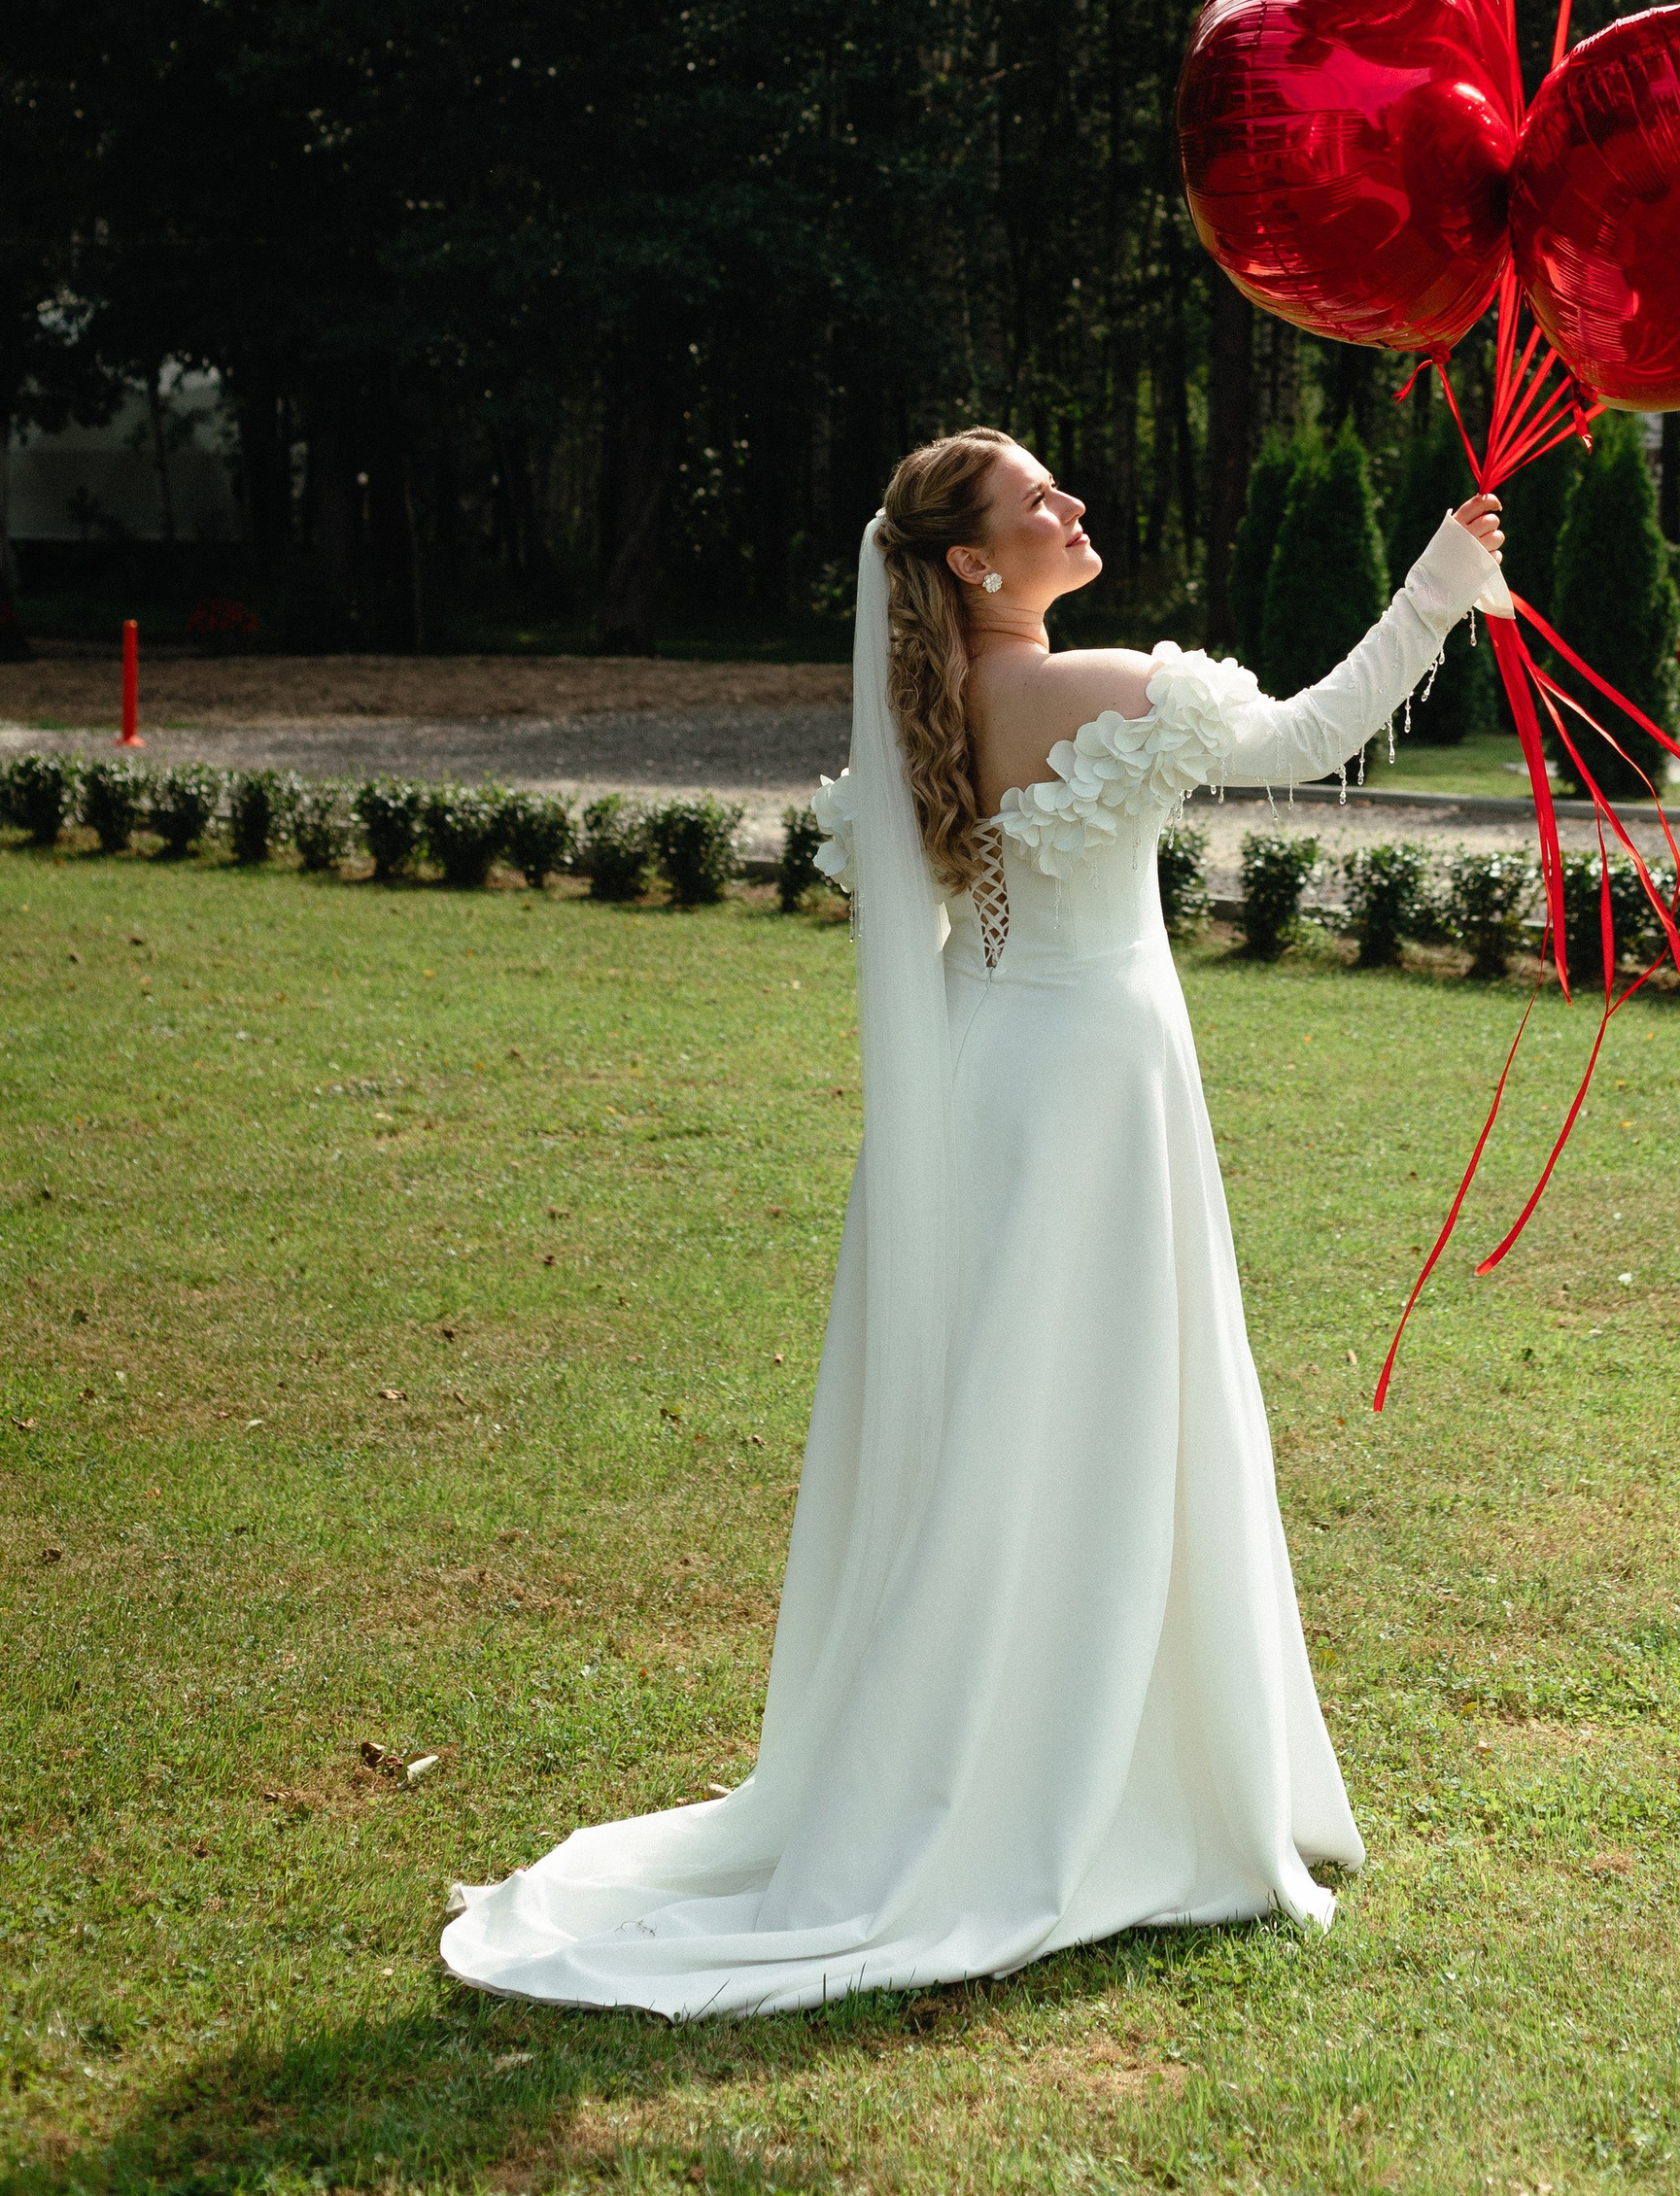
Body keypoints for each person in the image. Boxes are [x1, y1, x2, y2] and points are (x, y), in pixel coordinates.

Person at [441, 425, 1508, 2013]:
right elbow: (1310, 737)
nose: (1073, 510)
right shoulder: (1089, 690)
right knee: (1084, 1421)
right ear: (971, 562)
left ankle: (1016, 1739)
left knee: (1002, 1428)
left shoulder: (938, 707)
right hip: (1082, 1085)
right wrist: (1440, 585)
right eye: (1036, 504)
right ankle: (1077, 1777)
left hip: (987, 1075)